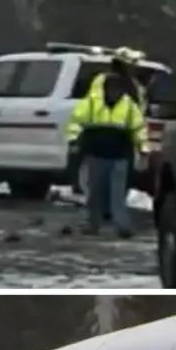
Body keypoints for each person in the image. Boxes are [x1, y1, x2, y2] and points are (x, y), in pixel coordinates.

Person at [66, 51, 148, 238]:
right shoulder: (96, 96)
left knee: (118, 192)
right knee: (96, 191)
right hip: (97, 150)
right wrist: (74, 141)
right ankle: (95, 223)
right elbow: (77, 121)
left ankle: (121, 225)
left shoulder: (130, 98)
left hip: (120, 151)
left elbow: (138, 125)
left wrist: (143, 148)